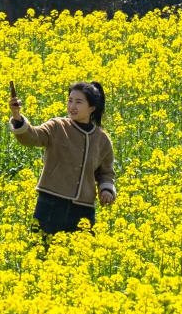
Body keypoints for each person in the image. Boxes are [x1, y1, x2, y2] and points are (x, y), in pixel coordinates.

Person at [9, 81, 116, 234]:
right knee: (42, 251)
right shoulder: (57, 126)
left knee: (79, 255)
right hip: (51, 203)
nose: (72, 106)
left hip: (83, 209)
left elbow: (106, 173)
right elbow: (32, 137)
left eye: (78, 102)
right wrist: (16, 116)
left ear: (92, 108)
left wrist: (106, 190)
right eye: (70, 100)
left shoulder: (102, 139)